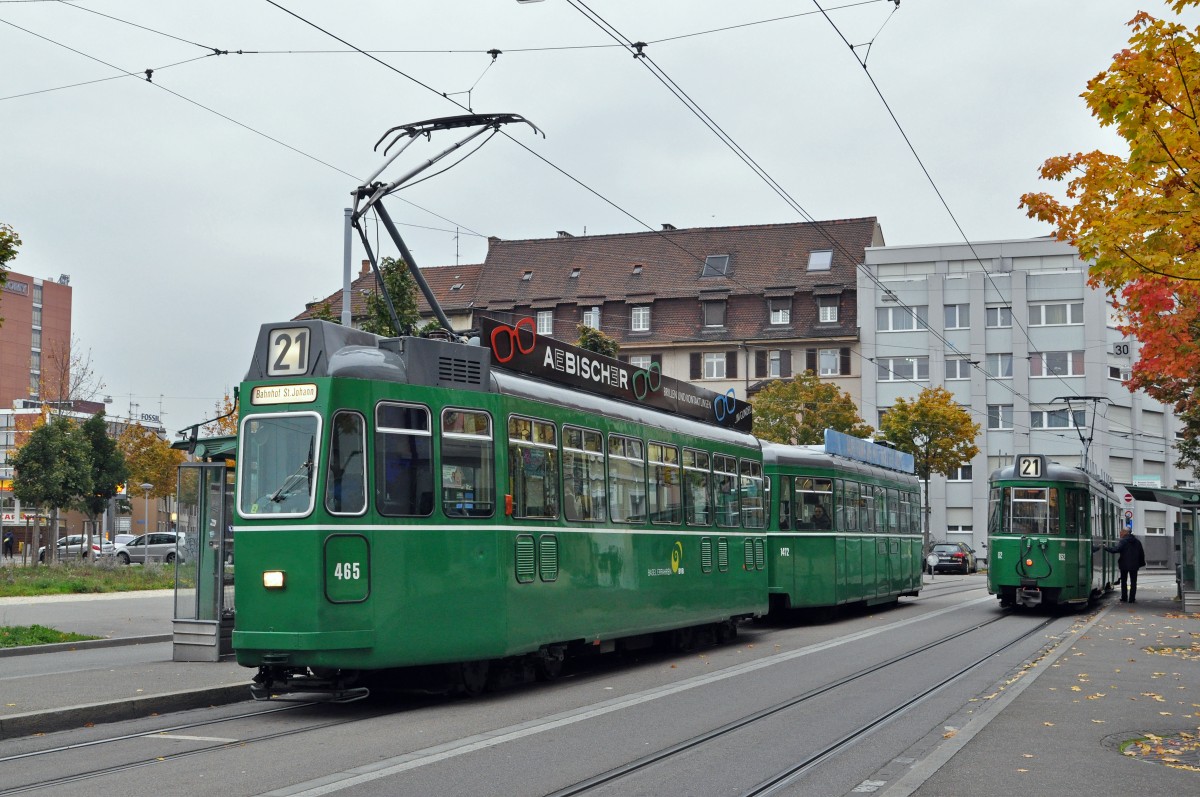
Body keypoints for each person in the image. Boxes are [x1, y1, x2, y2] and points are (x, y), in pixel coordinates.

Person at [1104, 527, 1146, 603]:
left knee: (1124, 581)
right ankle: (1132, 599)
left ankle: (1124, 597)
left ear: (1126, 532)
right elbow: (1141, 554)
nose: (1120, 533)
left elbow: (1116, 549)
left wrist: (1106, 548)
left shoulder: (1123, 541)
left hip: (1124, 564)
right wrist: (1140, 564)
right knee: (1133, 582)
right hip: (1134, 565)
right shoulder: (1137, 541)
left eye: (1121, 531)